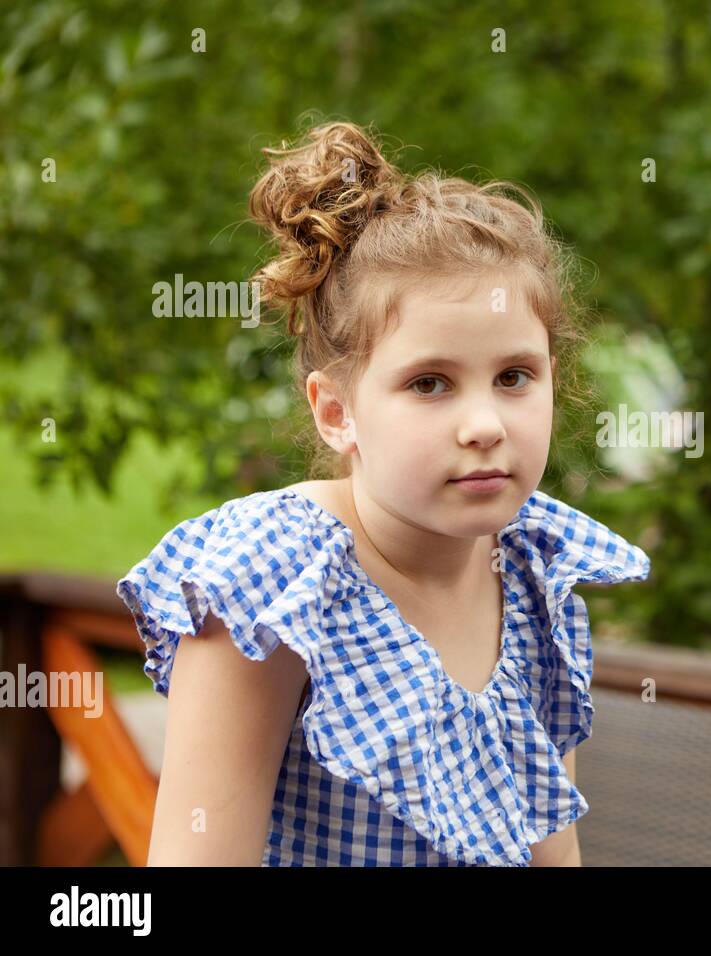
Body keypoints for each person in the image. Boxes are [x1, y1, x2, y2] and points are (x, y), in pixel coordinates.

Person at [115, 120, 651, 866]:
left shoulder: (536, 573)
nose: (486, 425)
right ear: (337, 412)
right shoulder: (274, 587)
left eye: (515, 377)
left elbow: (552, 854)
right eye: (429, 383)